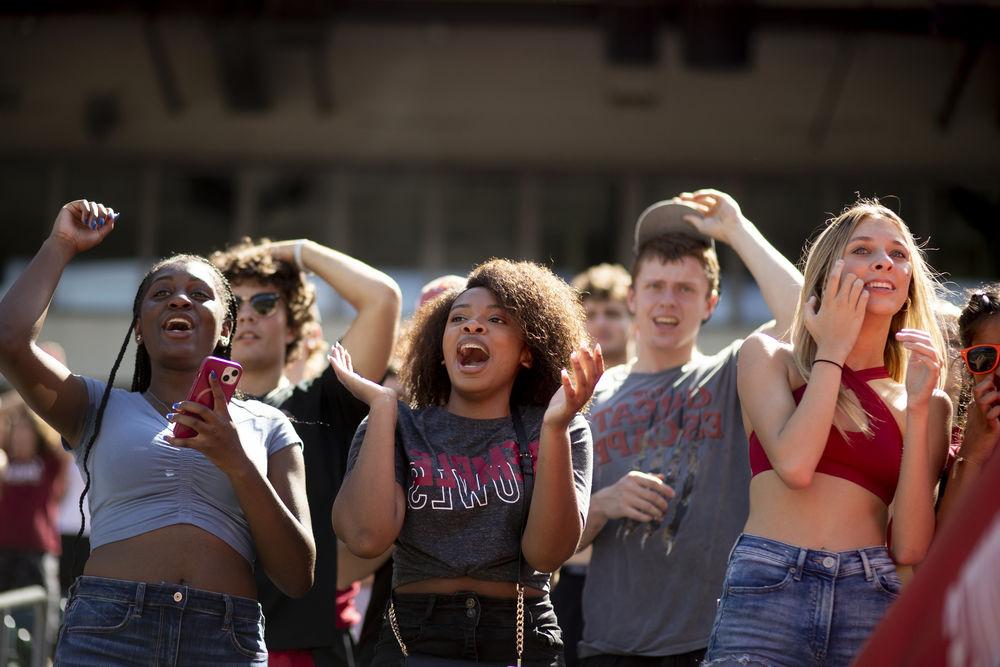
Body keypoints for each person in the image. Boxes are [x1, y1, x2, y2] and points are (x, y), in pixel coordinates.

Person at [0, 199, 315, 666]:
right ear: (140, 329)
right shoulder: (95, 405)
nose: (180, 299)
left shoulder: (270, 426)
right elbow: (9, 339)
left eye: (199, 294)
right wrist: (61, 244)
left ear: (226, 327)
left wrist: (237, 460)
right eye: (161, 292)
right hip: (108, 631)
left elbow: (296, 575)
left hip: (224, 640)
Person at [703, 199, 951, 666]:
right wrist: (832, 350)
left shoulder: (926, 401)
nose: (884, 261)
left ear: (909, 283)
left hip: (870, 590)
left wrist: (919, 411)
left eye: (898, 254)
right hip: (769, 583)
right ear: (825, 270)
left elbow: (911, 546)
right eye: (862, 249)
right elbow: (795, 466)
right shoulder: (768, 357)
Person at [332, 259, 602, 666]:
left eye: (496, 319)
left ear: (527, 352)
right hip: (414, 635)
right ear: (441, 349)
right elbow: (366, 537)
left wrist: (556, 428)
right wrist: (384, 406)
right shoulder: (396, 423)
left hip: (519, 634)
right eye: (459, 318)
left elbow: (546, 555)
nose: (473, 326)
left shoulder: (556, 426)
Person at [576, 189, 803, 666]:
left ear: (711, 303)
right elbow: (547, 545)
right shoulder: (588, 397)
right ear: (633, 298)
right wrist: (602, 503)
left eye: (685, 289)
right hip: (608, 645)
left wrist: (738, 231)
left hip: (716, 641)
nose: (668, 301)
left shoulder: (733, 371)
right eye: (656, 286)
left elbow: (808, 321)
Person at [211, 237, 401, 667]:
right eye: (232, 304)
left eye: (264, 303)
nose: (247, 316)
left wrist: (298, 250)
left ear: (294, 325)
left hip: (301, 650)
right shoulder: (184, 411)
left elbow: (382, 297)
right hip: (200, 641)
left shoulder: (324, 404)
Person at [0, 395, 69, 651]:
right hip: (4, 547)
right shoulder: (5, 459)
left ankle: (42, 656)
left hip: (38, 551)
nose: (19, 436)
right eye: (15, 431)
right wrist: (23, 390)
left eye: (26, 431)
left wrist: (44, 393)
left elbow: (61, 435)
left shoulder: (48, 462)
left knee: (42, 614)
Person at [936, 284, 1000, 524]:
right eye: (984, 357)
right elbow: (942, 552)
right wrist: (972, 454)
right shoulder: (948, 454)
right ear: (968, 368)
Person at [571, 263, 633, 369]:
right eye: (590, 315)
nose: (601, 324)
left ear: (633, 319)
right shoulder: (564, 383)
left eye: (611, 314)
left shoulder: (655, 379)